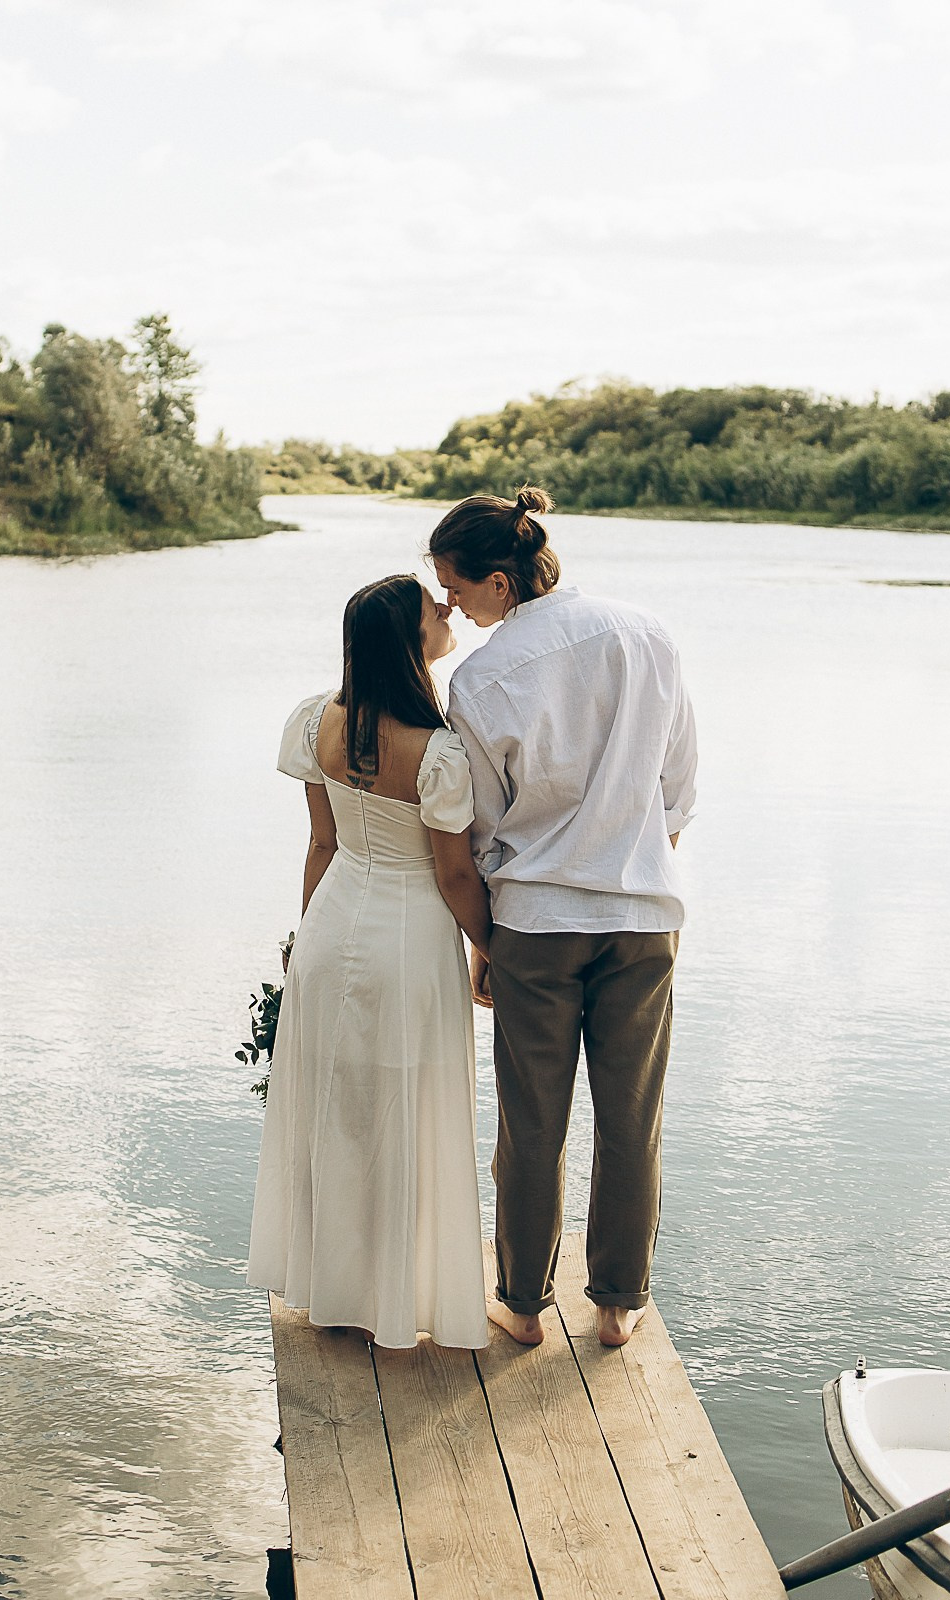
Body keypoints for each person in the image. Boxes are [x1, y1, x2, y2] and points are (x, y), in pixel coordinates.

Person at [432, 487, 698, 1349]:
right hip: (641, 915)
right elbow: (679, 788)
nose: (452, 607)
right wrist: (633, 858)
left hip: (537, 923)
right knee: (632, 1116)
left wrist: (486, 941)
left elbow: (479, 825)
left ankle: (519, 1303)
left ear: (501, 583)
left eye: (458, 588)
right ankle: (618, 1305)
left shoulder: (481, 679)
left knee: (531, 1121)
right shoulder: (649, 634)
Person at [247, 575, 494, 1349]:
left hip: (331, 930)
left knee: (337, 1111)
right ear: (409, 642)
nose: (448, 610)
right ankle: (396, 1292)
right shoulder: (439, 754)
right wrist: (492, 948)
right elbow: (454, 876)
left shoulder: (319, 720)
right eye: (434, 608)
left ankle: (336, 1289)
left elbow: (322, 843)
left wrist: (301, 938)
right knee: (404, 1112)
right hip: (409, 942)